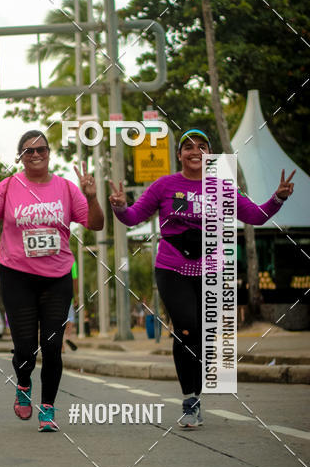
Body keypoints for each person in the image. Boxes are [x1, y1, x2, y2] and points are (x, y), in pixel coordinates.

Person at [109, 128, 295, 427]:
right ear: (180, 154)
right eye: (188, 147)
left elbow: (257, 216)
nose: (195, 151)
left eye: (202, 146)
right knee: (186, 327)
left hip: (211, 271)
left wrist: (278, 198)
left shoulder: (222, 187)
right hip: (172, 269)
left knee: (205, 337)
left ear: (209, 154)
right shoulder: (164, 185)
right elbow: (133, 217)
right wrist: (119, 206)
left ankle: (197, 391)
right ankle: (189, 399)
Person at [0, 129, 104, 431]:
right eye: (28, 151)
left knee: (53, 343)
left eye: (41, 150)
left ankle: (47, 409)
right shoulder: (7, 187)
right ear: (19, 156)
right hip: (17, 276)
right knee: (24, 347)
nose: (35, 155)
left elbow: (95, 224)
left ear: (49, 153)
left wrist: (93, 198)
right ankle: (22, 382)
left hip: (57, 277)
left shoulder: (66, 189)